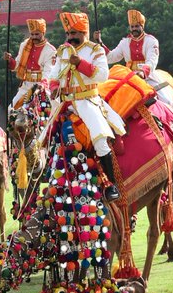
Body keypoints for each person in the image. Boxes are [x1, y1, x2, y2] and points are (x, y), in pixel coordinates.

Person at [46, 11, 126, 201]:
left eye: (74, 33)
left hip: (88, 101)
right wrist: (55, 86)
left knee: (99, 138)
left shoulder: (95, 50)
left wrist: (80, 63)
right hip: (66, 103)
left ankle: (110, 185)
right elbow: (53, 75)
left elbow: (102, 76)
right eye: (68, 34)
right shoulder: (62, 51)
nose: (71, 37)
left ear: (84, 32)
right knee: (48, 138)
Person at [4, 19, 56, 109]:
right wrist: (9, 60)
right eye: (32, 34)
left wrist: (41, 86)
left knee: (47, 113)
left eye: (37, 34)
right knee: (11, 111)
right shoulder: (24, 45)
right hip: (26, 86)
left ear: (43, 33)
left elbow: (49, 72)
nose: (34, 37)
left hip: (42, 87)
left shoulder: (50, 50)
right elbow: (17, 65)